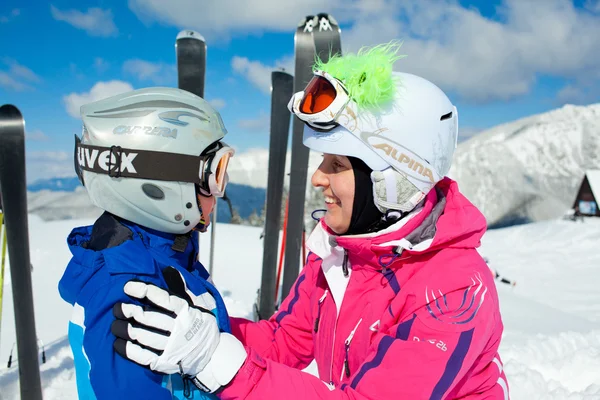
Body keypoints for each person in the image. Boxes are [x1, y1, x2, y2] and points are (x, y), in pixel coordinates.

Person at [111, 43, 509, 399]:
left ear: (391, 182)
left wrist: (217, 363)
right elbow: (285, 341)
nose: (318, 178)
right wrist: (207, 327)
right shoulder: (339, 253)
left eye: (335, 164)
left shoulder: (453, 290)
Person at [58, 87, 238, 399]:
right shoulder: (128, 290)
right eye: (214, 176)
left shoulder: (165, 258)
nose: (219, 192)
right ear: (162, 187)